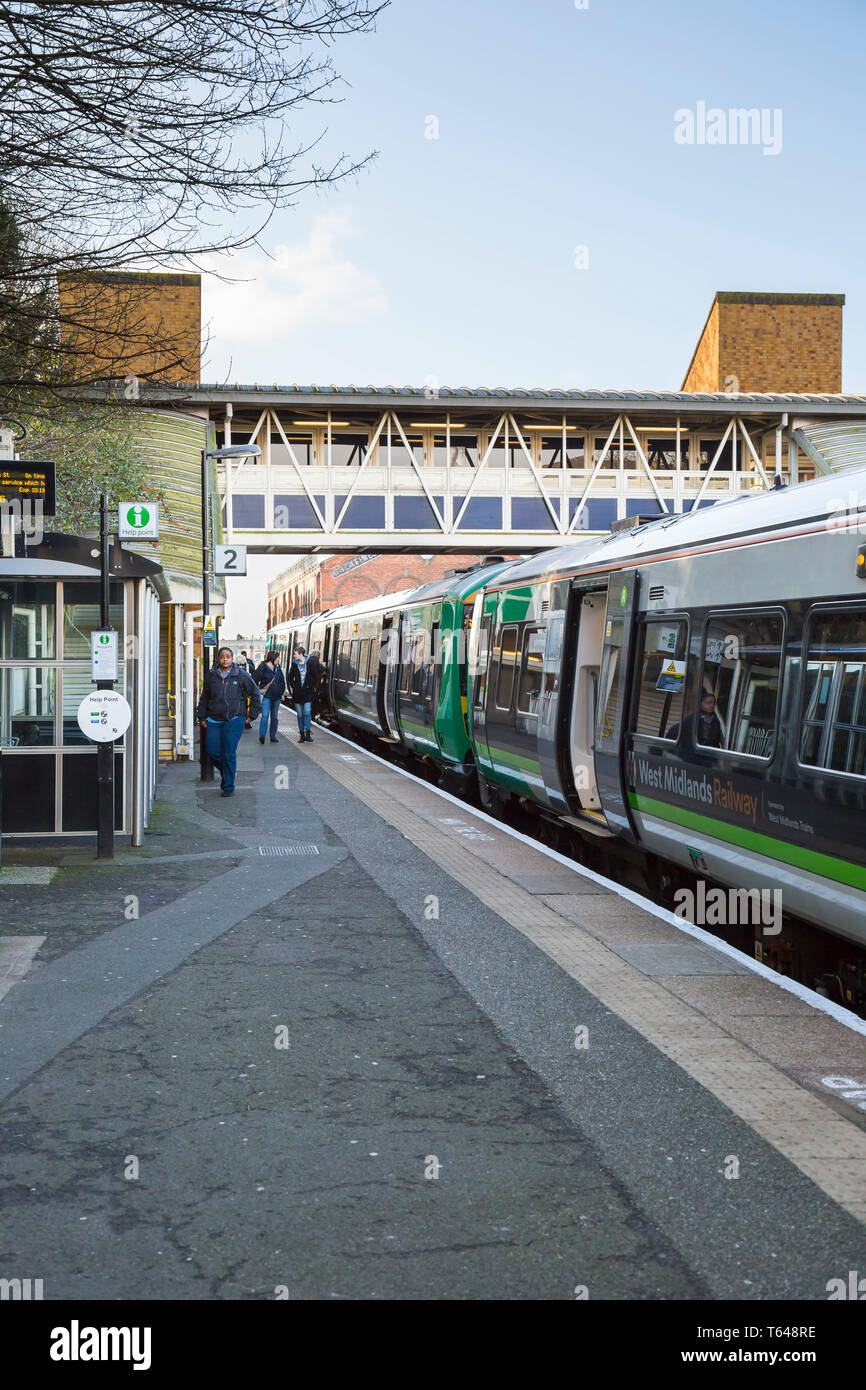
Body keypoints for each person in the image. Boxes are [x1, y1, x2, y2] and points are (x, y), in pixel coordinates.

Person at [197, 645, 261, 796]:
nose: (225, 659)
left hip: (234, 719)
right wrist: (201, 716)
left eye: (228, 657)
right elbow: (204, 697)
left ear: (232, 659)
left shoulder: (241, 675)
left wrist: (252, 715)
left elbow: (256, 694)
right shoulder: (211, 675)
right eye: (222, 657)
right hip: (213, 719)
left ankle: (228, 786)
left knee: (229, 753)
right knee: (212, 751)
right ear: (218, 659)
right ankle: (228, 772)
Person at [288, 645, 322, 743]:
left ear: (301, 654)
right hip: (297, 694)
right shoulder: (294, 664)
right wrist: (295, 686)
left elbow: (315, 677)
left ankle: (307, 733)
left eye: (295, 654)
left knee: (307, 712)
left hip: (307, 693)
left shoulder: (310, 663)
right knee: (299, 714)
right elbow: (290, 677)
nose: (294, 656)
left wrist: (310, 686)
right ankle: (302, 734)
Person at [256, 650, 286, 744]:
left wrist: (282, 693)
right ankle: (262, 735)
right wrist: (257, 691)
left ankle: (273, 736)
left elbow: (282, 681)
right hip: (266, 696)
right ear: (272, 658)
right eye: (277, 657)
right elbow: (255, 679)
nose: (278, 659)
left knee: (275, 717)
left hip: (276, 696)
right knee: (265, 715)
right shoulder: (263, 667)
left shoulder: (277, 667)